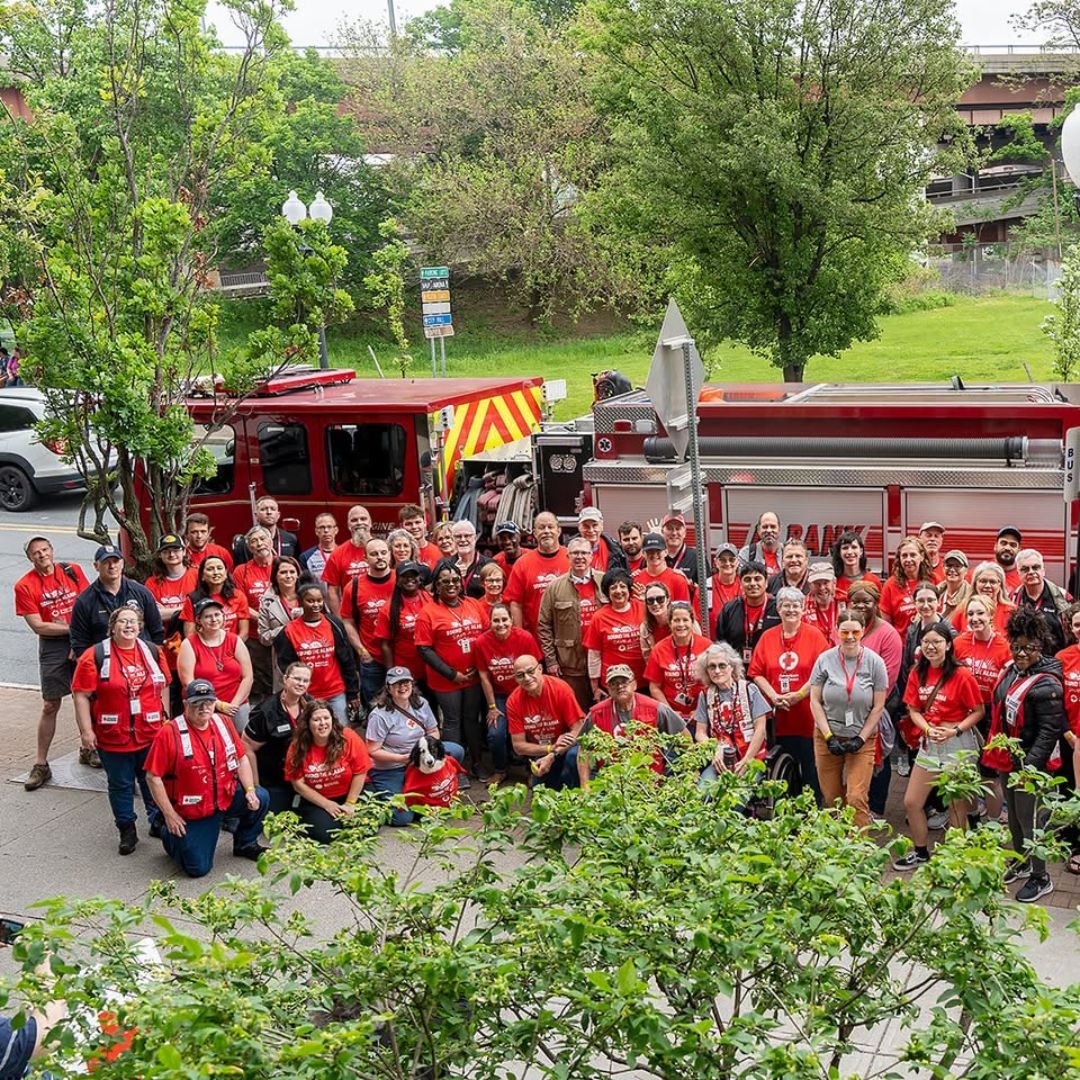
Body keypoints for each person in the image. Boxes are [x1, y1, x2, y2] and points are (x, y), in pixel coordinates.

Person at [144, 679, 269, 876]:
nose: (204, 708)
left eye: (209, 702)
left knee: (262, 797)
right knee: (197, 869)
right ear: (186, 704)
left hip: (224, 797)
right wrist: (170, 815)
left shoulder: (224, 722)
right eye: (197, 703)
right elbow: (153, 777)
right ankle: (168, 832)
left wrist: (250, 790)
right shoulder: (168, 733)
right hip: (194, 809)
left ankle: (245, 843)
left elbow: (241, 758)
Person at [71, 607, 170, 854]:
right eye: (123, 621)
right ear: (112, 626)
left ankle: (157, 820)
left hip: (149, 733)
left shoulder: (153, 652)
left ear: (141, 626)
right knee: (121, 784)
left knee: (152, 780)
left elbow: (164, 685)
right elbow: (80, 695)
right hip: (114, 736)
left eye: (134, 621)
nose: (129, 626)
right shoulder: (95, 655)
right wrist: (86, 731)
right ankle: (127, 828)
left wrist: (164, 716)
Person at [988, 607, 1066, 902]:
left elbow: (1049, 732)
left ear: (1040, 647)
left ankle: (1041, 876)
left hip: (1032, 764)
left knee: (1031, 819)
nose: (1021, 653)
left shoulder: (1047, 683)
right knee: (1015, 819)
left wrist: (1029, 768)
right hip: (1010, 758)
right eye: (1016, 647)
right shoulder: (1012, 669)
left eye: (1028, 649)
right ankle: (1021, 861)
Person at [893, 621, 984, 871]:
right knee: (912, 801)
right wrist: (928, 729)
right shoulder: (916, 672)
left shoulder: (962, 674)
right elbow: (913, 709)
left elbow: (978, 711)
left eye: (937, 642)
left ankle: (952, 858)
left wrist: (955, 729)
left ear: (948, 645)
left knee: (956, 804)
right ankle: (921, 851)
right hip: (929, 744)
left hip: (958, 744)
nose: (931, 647)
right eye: (926, 642)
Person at [14, 536, 91, 789]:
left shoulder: (72, 571)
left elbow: (87, 605)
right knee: (50, 703)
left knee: (88, 696)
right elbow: (38, 625)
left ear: (52, 550)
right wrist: (71, 631)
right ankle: (41, 764)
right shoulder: (25, 585)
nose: (42, 555)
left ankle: (88, 747)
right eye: (36, 552)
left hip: (79, 637)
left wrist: (77, 638)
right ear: (30, 558)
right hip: (53, 644)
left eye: (45, 549)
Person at [749, 586, 830, 802]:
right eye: (786, 605)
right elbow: (756, 673)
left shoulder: (815, 636)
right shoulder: (767, 637)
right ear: (778, 608)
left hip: (807, 714)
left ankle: (814, 811)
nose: (791, 610)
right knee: (783, 767)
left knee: (812, 768)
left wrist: (800, 694)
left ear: (803, 609)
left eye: (796, 605)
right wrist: (774, 695)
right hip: (778, 716)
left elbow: (823, 673)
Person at [808, 610, 888, 827]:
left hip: (862, 738)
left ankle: (859, 851)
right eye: (845, 632)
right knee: (832, 799)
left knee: (856, 797)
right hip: (828, 736)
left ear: (863, 632)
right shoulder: (824, 660)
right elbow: (815, 700)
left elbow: (878, 705)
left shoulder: (875, 663)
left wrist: (861, 738)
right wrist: (828, 736)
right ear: (837, 632)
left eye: (855, 632)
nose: (850, 637)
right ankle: (837, 847)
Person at [365, 667, 465, 825]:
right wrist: (402, 758)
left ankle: (438, 786)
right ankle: (379, 795)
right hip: (393, 765)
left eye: (406, 682)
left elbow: (433, 730)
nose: (402, 687)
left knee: (456, 751)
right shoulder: (379, 716)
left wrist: (428, 750)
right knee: (402, 818)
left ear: (412, 684)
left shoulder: (421, 703)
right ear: (388, 688)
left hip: (421, 757)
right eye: (397, 684)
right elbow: (372, 750)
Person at [414, 566, 489, 777]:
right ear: (436, 586)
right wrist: (451, 674)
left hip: (474, 676)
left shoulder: (473, 604)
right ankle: (454, 770)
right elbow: (424, 649)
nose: (451, 585)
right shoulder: (428, 612)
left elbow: (485, 635)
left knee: (472, 720)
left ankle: (477, 762)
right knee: (453, 722)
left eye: (455, 580)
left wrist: (480, 664)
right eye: (445, 581)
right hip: (446, 680)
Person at [846, 579, 904, 815]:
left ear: (876, 603)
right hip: (847, 705)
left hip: (878, 705)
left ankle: (877, 807)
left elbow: (888, 677)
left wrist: (866, 705)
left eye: (866, 601)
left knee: (878, 757)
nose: (861, 606)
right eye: (856, 602)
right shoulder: (844, 627)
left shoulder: (888, 634)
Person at [577, 664, 687, 788]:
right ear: (608, 688)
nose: (620, 687)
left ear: (634, 684)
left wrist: (691, 771)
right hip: (610, 784)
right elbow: (583, 750)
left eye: (624, 682)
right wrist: (585, 786)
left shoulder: (655, 708)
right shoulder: (596, 714)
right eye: (614, 683)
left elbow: (684, 736)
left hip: (650, 784)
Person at [953, 593, 1011, 824]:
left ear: (990, 615)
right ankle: (974, 818)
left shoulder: (1004, 647)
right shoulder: (959, 643)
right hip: (965, 712)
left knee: (989, 775)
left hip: (993, 714)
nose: (975, 618)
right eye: (970, 614)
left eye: (980, 613)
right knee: (966, 771)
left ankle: (994, 823)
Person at [284, 699, 371, 844]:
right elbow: (298, 784)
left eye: (326, 718)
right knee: (325, 835)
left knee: (368, 824)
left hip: (351, 793)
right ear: (308, 723)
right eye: (316, 719)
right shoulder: (297, 746)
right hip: (319, 799)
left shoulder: (348, 736)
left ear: (332, 719)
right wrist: (326, 804)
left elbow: (360, 772)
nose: (322, 723)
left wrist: (350, 803)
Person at [474, 603, 541, 785]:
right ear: (490, 622)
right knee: (495, 734)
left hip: (524, 692)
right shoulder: (481, 643)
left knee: (533, 728)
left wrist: (535, 696)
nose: (501, 624)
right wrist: (492, 707)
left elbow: (536, 668)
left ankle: (532, 770)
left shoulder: (525, 638)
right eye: (496, 620)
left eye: (505, 619)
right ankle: (500, 770)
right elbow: (484, 677)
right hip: (499, 696)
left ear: (512, 620)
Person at [275, 582, 359, 727]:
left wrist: (352, 693)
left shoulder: (334, 624)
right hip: (307, 695)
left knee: (340, 732)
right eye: (310, 601)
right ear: (300, 602)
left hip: (336, 692)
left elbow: (347, 660)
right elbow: (287, 667)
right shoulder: (288, 632)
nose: (316, 605)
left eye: (319, 600)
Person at [537, 536, 606, 709]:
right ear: (567, 557)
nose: (580, 557)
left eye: (584, 553)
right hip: (570, 665)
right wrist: (551, 661)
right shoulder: (554, 588)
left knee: (604, 712)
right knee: (576, 711)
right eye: (575, 553)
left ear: (592, 556)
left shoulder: (605, 582)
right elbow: (544, 626)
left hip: (603, 662)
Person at [693, 642, 769, 786]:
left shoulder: (749, 690)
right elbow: (700, 733)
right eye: (712, 666)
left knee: (734, 801)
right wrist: (714, 752)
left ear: (731, 667)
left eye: (722, 665)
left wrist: (747, 760)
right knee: (701, 794)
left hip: (751, 758)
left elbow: (760, 729)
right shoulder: (705, 695)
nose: (717, 671)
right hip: (720, 760)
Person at [69, 544, 164, 658]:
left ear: (122, 563)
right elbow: (79, 642)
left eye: (116, 561)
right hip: (105, 663)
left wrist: (153, 657)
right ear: (96, 566)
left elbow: (157, 630)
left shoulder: (141, 592)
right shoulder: (85, 601)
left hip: (140, 660)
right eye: (106, 562)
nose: (112, 566)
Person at [506, 654, 585, 790]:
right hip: (542, 749)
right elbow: (518, 746)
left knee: (573, 757)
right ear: (515, 679)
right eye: (520, 675)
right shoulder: (513, 701)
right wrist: (549, 749)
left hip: (568, 746)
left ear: (540, 669)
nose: (527, 678)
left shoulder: (560, 689)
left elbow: (578, 729)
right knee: (540, 792)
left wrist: (554, 753)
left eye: (531, 671)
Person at [242, 661, 313, 813]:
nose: (301, 684)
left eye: (305, 680)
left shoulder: (310, 705)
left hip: (304, 773)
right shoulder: (266, 712)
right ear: (285, 679)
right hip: (274, 778)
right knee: (276, 816)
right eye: (296, 679)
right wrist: (256, 786)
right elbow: (246, 747)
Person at [177, 596, 254, 732]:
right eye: (207, 616)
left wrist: (233, 705)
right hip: (203, 704)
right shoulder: (190, 643)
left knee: (243, 742)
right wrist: (218, 704)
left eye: (217, 614)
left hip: (236, 703)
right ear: (198, 620)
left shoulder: (234, 640)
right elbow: (188, 682)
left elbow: (248, 677)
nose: (213, 619)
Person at [339, 537, 396, 706]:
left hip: (401, 655)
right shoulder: (354, 586)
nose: (379, 557)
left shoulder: (402, 579)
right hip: (372, 658)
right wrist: (361, 650)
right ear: (365, 558)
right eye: (374, 554)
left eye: (383, 553)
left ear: (390, 555)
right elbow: (347, 621)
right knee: (375, 706)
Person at [644, 601, 712, 724]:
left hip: (704, 711)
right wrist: (669, 712)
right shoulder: (659, 649)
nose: (681, 624)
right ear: (670, 623)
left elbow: (714, 683)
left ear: (692, 622)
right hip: (672, 714)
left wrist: (700, 710)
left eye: (685, 620)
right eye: (676, 620)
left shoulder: (707, 646)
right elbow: (654, 688)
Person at [504, 511, 569, 637]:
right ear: (534, 533)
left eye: (550, 527)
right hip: (535, 638)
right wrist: (521, 636)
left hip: (568, 638)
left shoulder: (571, 558)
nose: (546, 531)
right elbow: (515, 603)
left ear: (559, 531)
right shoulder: (522, 563)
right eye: (541, 527)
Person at [233, 526, 279, 705]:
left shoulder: (283, 564)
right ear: (249, 548)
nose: (259, 544)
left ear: (270, 541)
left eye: (262, 539)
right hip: (255, 634)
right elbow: (240, 602)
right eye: (254, 541)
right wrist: (264, 619)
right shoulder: (241, 571)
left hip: (283, 631)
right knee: (261, 680)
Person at [584, 567, 646, 693]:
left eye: (622, 586)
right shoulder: (599, 617)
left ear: (629, 589)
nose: (618, 591)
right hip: (613, 683)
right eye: (613, 588)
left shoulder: (643, 609)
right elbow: (594, 654)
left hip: (642, 680)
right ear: (607, 592)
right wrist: (595, 687)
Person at [375, 562, 433, 684]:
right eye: (405, 575)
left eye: (413, 575)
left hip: (433, 667)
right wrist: (391, 673)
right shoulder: (388, 609)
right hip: (406, 670)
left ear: (419, 578)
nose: (410, 579)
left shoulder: (431, 600)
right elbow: (385, 644)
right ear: (397, 580)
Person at [716, 561, 781, 665]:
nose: (752, 583)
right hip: (738, 672)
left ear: (766, 583)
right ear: (741, 584)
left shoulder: (778, 608)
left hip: (770, 670)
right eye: (747, 580)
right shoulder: (729, 609)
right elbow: (721, 644)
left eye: (757, 579)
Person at [257, 557, 304, 692]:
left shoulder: (309, 595)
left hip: (312, 655)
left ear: (298, 574)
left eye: (292, 571)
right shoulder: (266, 601)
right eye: (283, 572)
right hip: (283, 659)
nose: (288, 576)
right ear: (275, 576)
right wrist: (287, 629)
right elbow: (264, 637)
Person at [1012, 547, 1069, 655]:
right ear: (1018, 573)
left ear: (1043, 570)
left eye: (1035, 567)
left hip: (1056, 662)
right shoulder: (1012, 598)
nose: (1031, 572)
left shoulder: (1063, 597)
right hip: (1024, 662)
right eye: (1025, 569)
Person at [180, 555, 250, 639]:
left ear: (226, 573)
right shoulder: (193, 599)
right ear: (202, 575)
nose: (216, 572)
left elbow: (244, 633)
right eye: (210, 569)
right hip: (203, 649)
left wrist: (232, 648)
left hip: (232, 648)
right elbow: (190, 635)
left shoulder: (238, 596)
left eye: (219, 568)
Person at [879, 536, 934, 637]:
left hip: (930, 645)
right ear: (899, 559)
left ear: (921, 556)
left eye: (913, 555)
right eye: (904, 556)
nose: (908, 559)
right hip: (902, 646)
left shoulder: (934, 580)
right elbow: (885, 625)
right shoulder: (890, 585)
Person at [322, 505, 372, 615]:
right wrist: (341, 621)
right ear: (349, 525)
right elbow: (332, 592)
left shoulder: (383, 549)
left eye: (363, 519)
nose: (359, 523)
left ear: (370, 523)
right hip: (352, 614)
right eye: (354, 520)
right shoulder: (337, 554)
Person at [232, 495, 298, 564]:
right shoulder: (244, 543)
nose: (269, 512)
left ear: (278, 515)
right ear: (256, 515)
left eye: (272, 509)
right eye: (263, 509)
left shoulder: (291, 538)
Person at [437, 520, 489, 598]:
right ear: (453, 539)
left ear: (475, 538)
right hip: (452, 609)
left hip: (480, 609)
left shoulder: (488, 564)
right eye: (458, 536)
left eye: (467, 536)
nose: (463, 539)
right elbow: (435, 592)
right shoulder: (443, 564)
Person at [635, 533, 691, 602]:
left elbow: (683, 611)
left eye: (658, 551)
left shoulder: (678, 580)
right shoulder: (636, 580)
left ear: (666, 552)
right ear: (643, 553)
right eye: (650, 551)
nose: (654, 555)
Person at [830, 530, 881, 603]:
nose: (850, 552)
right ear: (839, 553)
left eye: (854, 547)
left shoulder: (873, 581)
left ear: (861, 551)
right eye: (845, 548)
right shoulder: (833, 582)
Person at [967, 561, 1016, 632]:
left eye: (992, 582)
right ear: (975, 584)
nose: (987, 586)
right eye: (983, 581)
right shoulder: (963, 610)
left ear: (1000, 585)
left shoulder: (1012, 612)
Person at [707, 542, 743, 633]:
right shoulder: (706, 586)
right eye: (722, 560)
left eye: (732, 559)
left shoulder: (745, 585)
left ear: (738, 561)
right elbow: (697, 619)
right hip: (713, 643)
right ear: (715, 562)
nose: (727, 563)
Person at [577, 506, 625, 573]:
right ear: (579, 527)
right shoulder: (568, 550)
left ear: (601, 526)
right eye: (586, 526)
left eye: (595, 525)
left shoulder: (616, 551)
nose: (591, 530)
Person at [802, 562, 840, 645]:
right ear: (809, 585)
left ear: (834, 583)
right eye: (817, 584)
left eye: (826, 583)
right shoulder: (800, 608)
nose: (822, 588)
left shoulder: (847, 602)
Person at [659, 510, 699, 587]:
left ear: (685, 533)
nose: (674, 533)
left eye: (678, 529)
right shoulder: (655, 556)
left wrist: (689, 584)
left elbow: (707, 589)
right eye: (670, 528)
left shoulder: (697, 557)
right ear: (662, 532)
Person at [737, 511, 782, 576]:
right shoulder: (746, 553)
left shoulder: (788, 552)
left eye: (773, 526)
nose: (769, 530)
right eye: (765, 527)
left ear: (779, 529)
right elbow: (742, 581)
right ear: (758, 530)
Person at [298, 512, 339, 583]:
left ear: (336, 530)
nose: (326, 530)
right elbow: (306, 586)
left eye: (329, 527)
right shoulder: (306, 557)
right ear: (316, 531)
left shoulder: (345, 553)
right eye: (322, 527)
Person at [399, 503, 442, 567]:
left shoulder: (438, 552)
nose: (414, 527)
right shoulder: (398, 553)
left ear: (425, 523)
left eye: (417, 522)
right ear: (401, 526)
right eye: (409, 524)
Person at [939, 550, 973, 624]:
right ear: (943, 568)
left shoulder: (971, 596)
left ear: (966, 571)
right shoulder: (935, 592)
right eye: (949, 565)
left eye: (957, 566)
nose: (952, 570)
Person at [992, 525, 1023, 594]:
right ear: (995, 546)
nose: (1007, 548)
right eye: (1003, 543)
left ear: (1019, 550)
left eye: (1013, 545)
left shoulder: (1024, 578)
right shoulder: (976, 574)